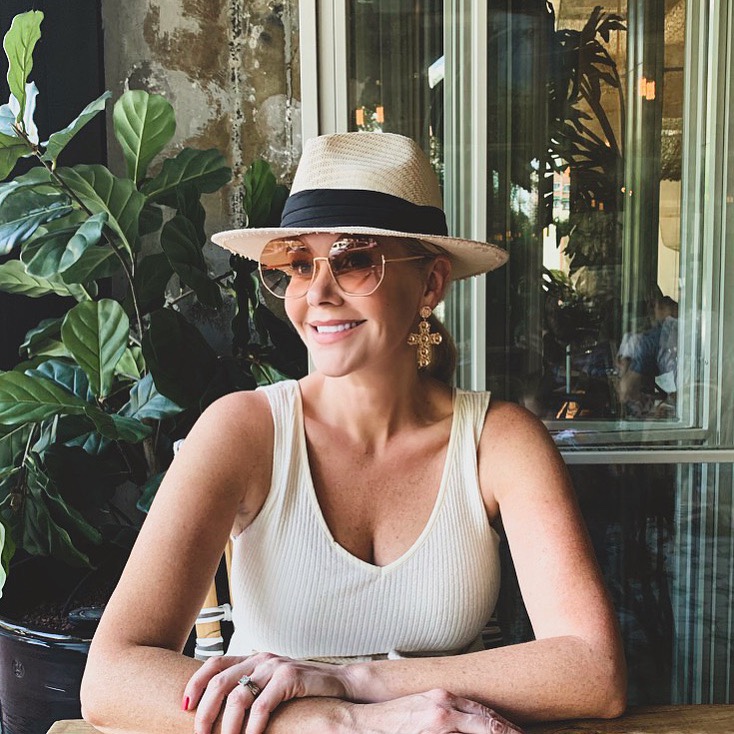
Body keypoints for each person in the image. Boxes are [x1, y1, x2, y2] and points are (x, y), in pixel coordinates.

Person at [81, 132, 626, 734]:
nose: (316, 293)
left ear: (431, 284)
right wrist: (340, 721)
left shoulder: (497, 441)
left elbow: (593, 670)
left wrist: (355, 681)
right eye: (299, 264)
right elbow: (110, 677)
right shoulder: (244, 431)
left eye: (353, 260)